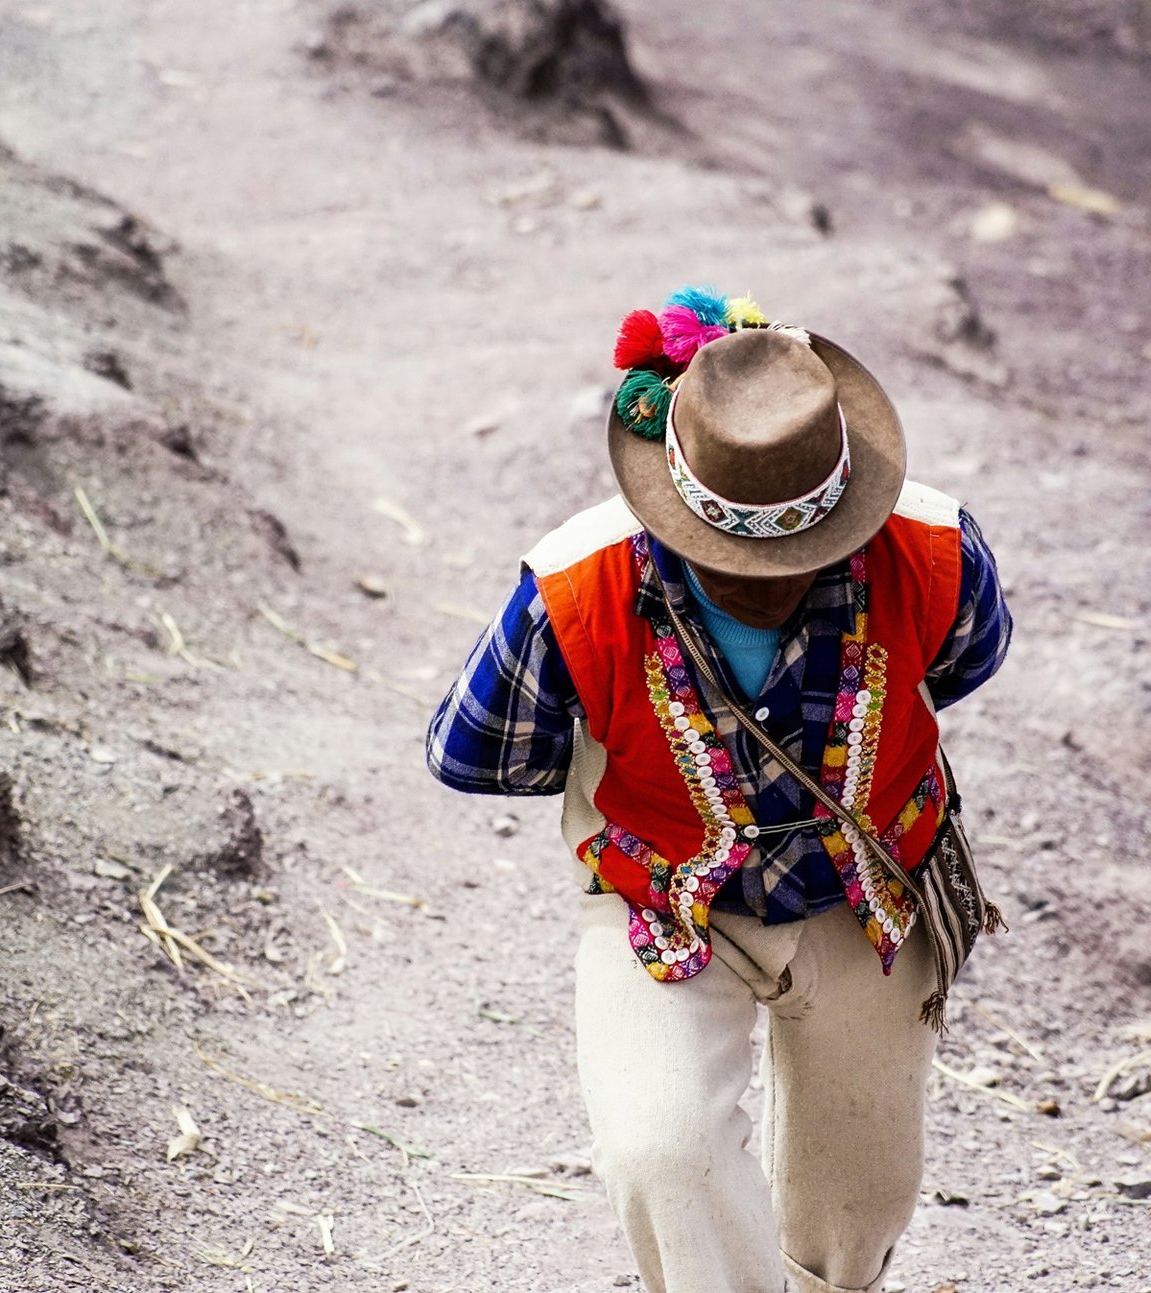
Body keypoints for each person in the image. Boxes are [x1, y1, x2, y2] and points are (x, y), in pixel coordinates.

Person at [427, 287, 1013, 1293]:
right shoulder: (575, 584)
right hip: (662, 898)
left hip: (868, 896)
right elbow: (474, 749)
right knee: (661, 1152)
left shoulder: (937, 549)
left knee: (858, 1207)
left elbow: (959, 664)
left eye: (792, 558)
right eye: (731, 558)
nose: (763, 580)